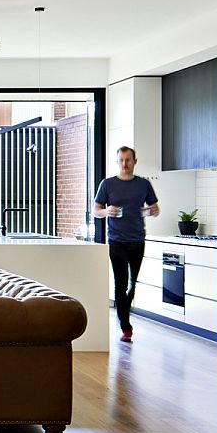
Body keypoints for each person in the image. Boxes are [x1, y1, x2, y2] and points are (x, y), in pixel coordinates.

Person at [92, 146, 159, 343]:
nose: (124, 164)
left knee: (132, 285)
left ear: (134, 161)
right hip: (117, 241)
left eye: (128, 160)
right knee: (120, 284)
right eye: (121, 160)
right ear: (117, 161)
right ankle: (125, 326)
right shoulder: (107, 184)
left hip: (137, 240)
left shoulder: (143, 185)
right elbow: (95, 209)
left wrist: (152, 210)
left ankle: (124, 316)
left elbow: (153, 209)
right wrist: (106, 211)